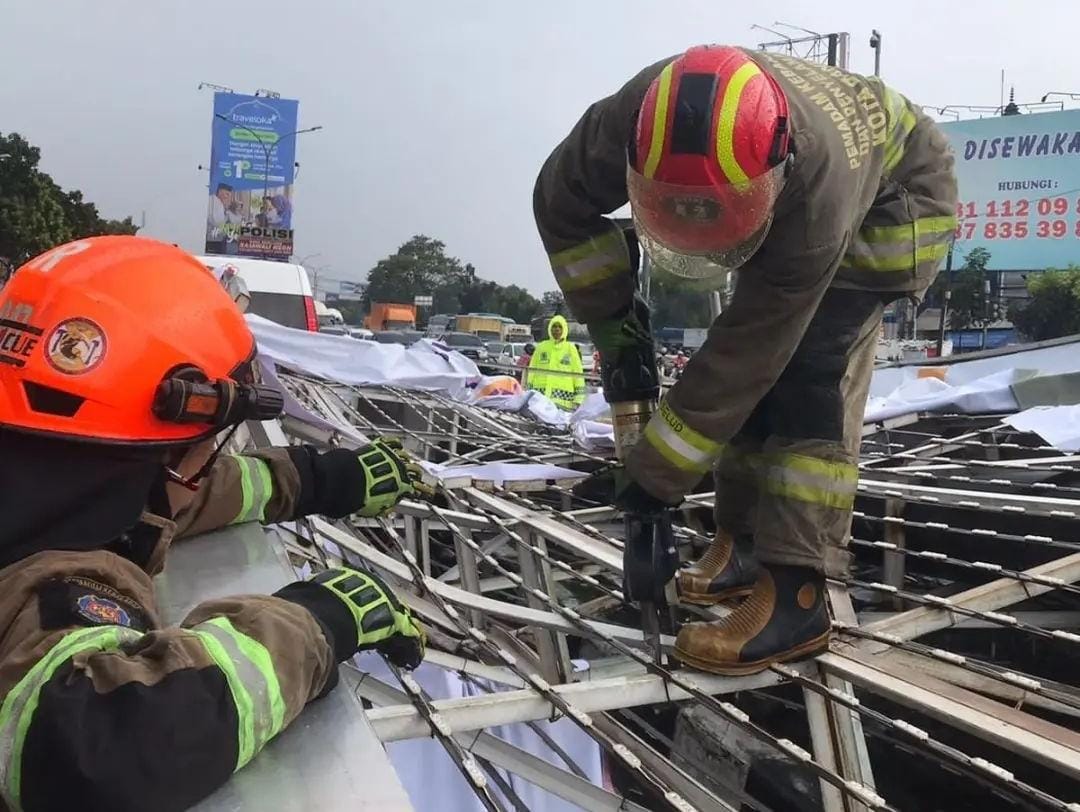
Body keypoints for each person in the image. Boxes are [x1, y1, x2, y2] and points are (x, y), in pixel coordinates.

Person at [534, 45, 956, 674]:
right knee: (749, 368)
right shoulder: (633, 116)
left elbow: (747, 356)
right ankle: (742, 550)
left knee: (804, 371)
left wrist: (651, 480)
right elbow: (560, 205)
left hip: (893, 210)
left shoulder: (816, 195)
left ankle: (799, 593)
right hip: (778, 199)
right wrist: (619, 337)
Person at [0, 236, 429, 811]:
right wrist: (316, 621)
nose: (205, 467)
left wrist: (328, 480)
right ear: (170, 447)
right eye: (206, 444)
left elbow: (180, 498)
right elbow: (106, 750)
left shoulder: (53, 482)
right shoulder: (56, 571)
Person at [525, 315, 586, 410]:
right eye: (554, 326)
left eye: (559, 327)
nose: (557, 329)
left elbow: (578, 374)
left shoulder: (571, 349)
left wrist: (578, 399)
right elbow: (532, 371)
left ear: (564, 329)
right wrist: (528, 393)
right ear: (550, 328)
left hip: (563, 403)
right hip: (540, 399)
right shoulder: (541, 347)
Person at [205, 182, 235, 253]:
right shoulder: (216, 202)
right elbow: (217, 223)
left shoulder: (217, 202)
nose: (228, 197)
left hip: (214, 238)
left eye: (229, 195)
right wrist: (226, 217)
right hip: (213, 239)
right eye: (226, 194)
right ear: (220, 192)